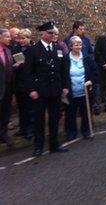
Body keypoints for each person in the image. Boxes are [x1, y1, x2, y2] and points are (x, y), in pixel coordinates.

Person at [24, 21, 70, 156]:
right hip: (40, 91)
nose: (53, 35)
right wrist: (31, 90)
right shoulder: (33, 50)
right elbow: (28, 72)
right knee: (39, 120)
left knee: (55, 118)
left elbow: (63, 70)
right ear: (42, 34)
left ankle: (54, 144)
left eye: (54, 33)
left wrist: (65, 86)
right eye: (50, 33)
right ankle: (38, 146)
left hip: (55, 90)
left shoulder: (58, 49)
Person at [64, 36, 98, 140]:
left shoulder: (87, 58)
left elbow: (95, 72)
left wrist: (91, 81)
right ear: (70, 46)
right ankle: (71, 132)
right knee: (70, 113)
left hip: (85, 92)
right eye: (76, 45)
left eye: (80, 44)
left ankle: (86, 130)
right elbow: (62, 75)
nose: (79, 47)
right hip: (71, 92)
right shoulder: (65, 59)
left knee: (86, 112)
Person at [12, 28, 34, 140]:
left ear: (29, 38)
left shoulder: (32, 50)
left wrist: (20, 65)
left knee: (30, 108)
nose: (21, 40)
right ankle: (23, 128)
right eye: (20, 38)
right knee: (21, 108)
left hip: (28, 83)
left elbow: (31, 66)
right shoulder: (16, 49)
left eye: (23, 38)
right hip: (18, 83)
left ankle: (30, 129)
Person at [0, 28, 14, 148]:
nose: (10, 38)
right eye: (7, 36)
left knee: (6, 111)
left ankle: (3, 134)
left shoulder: (8, 51)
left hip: (8, 86)